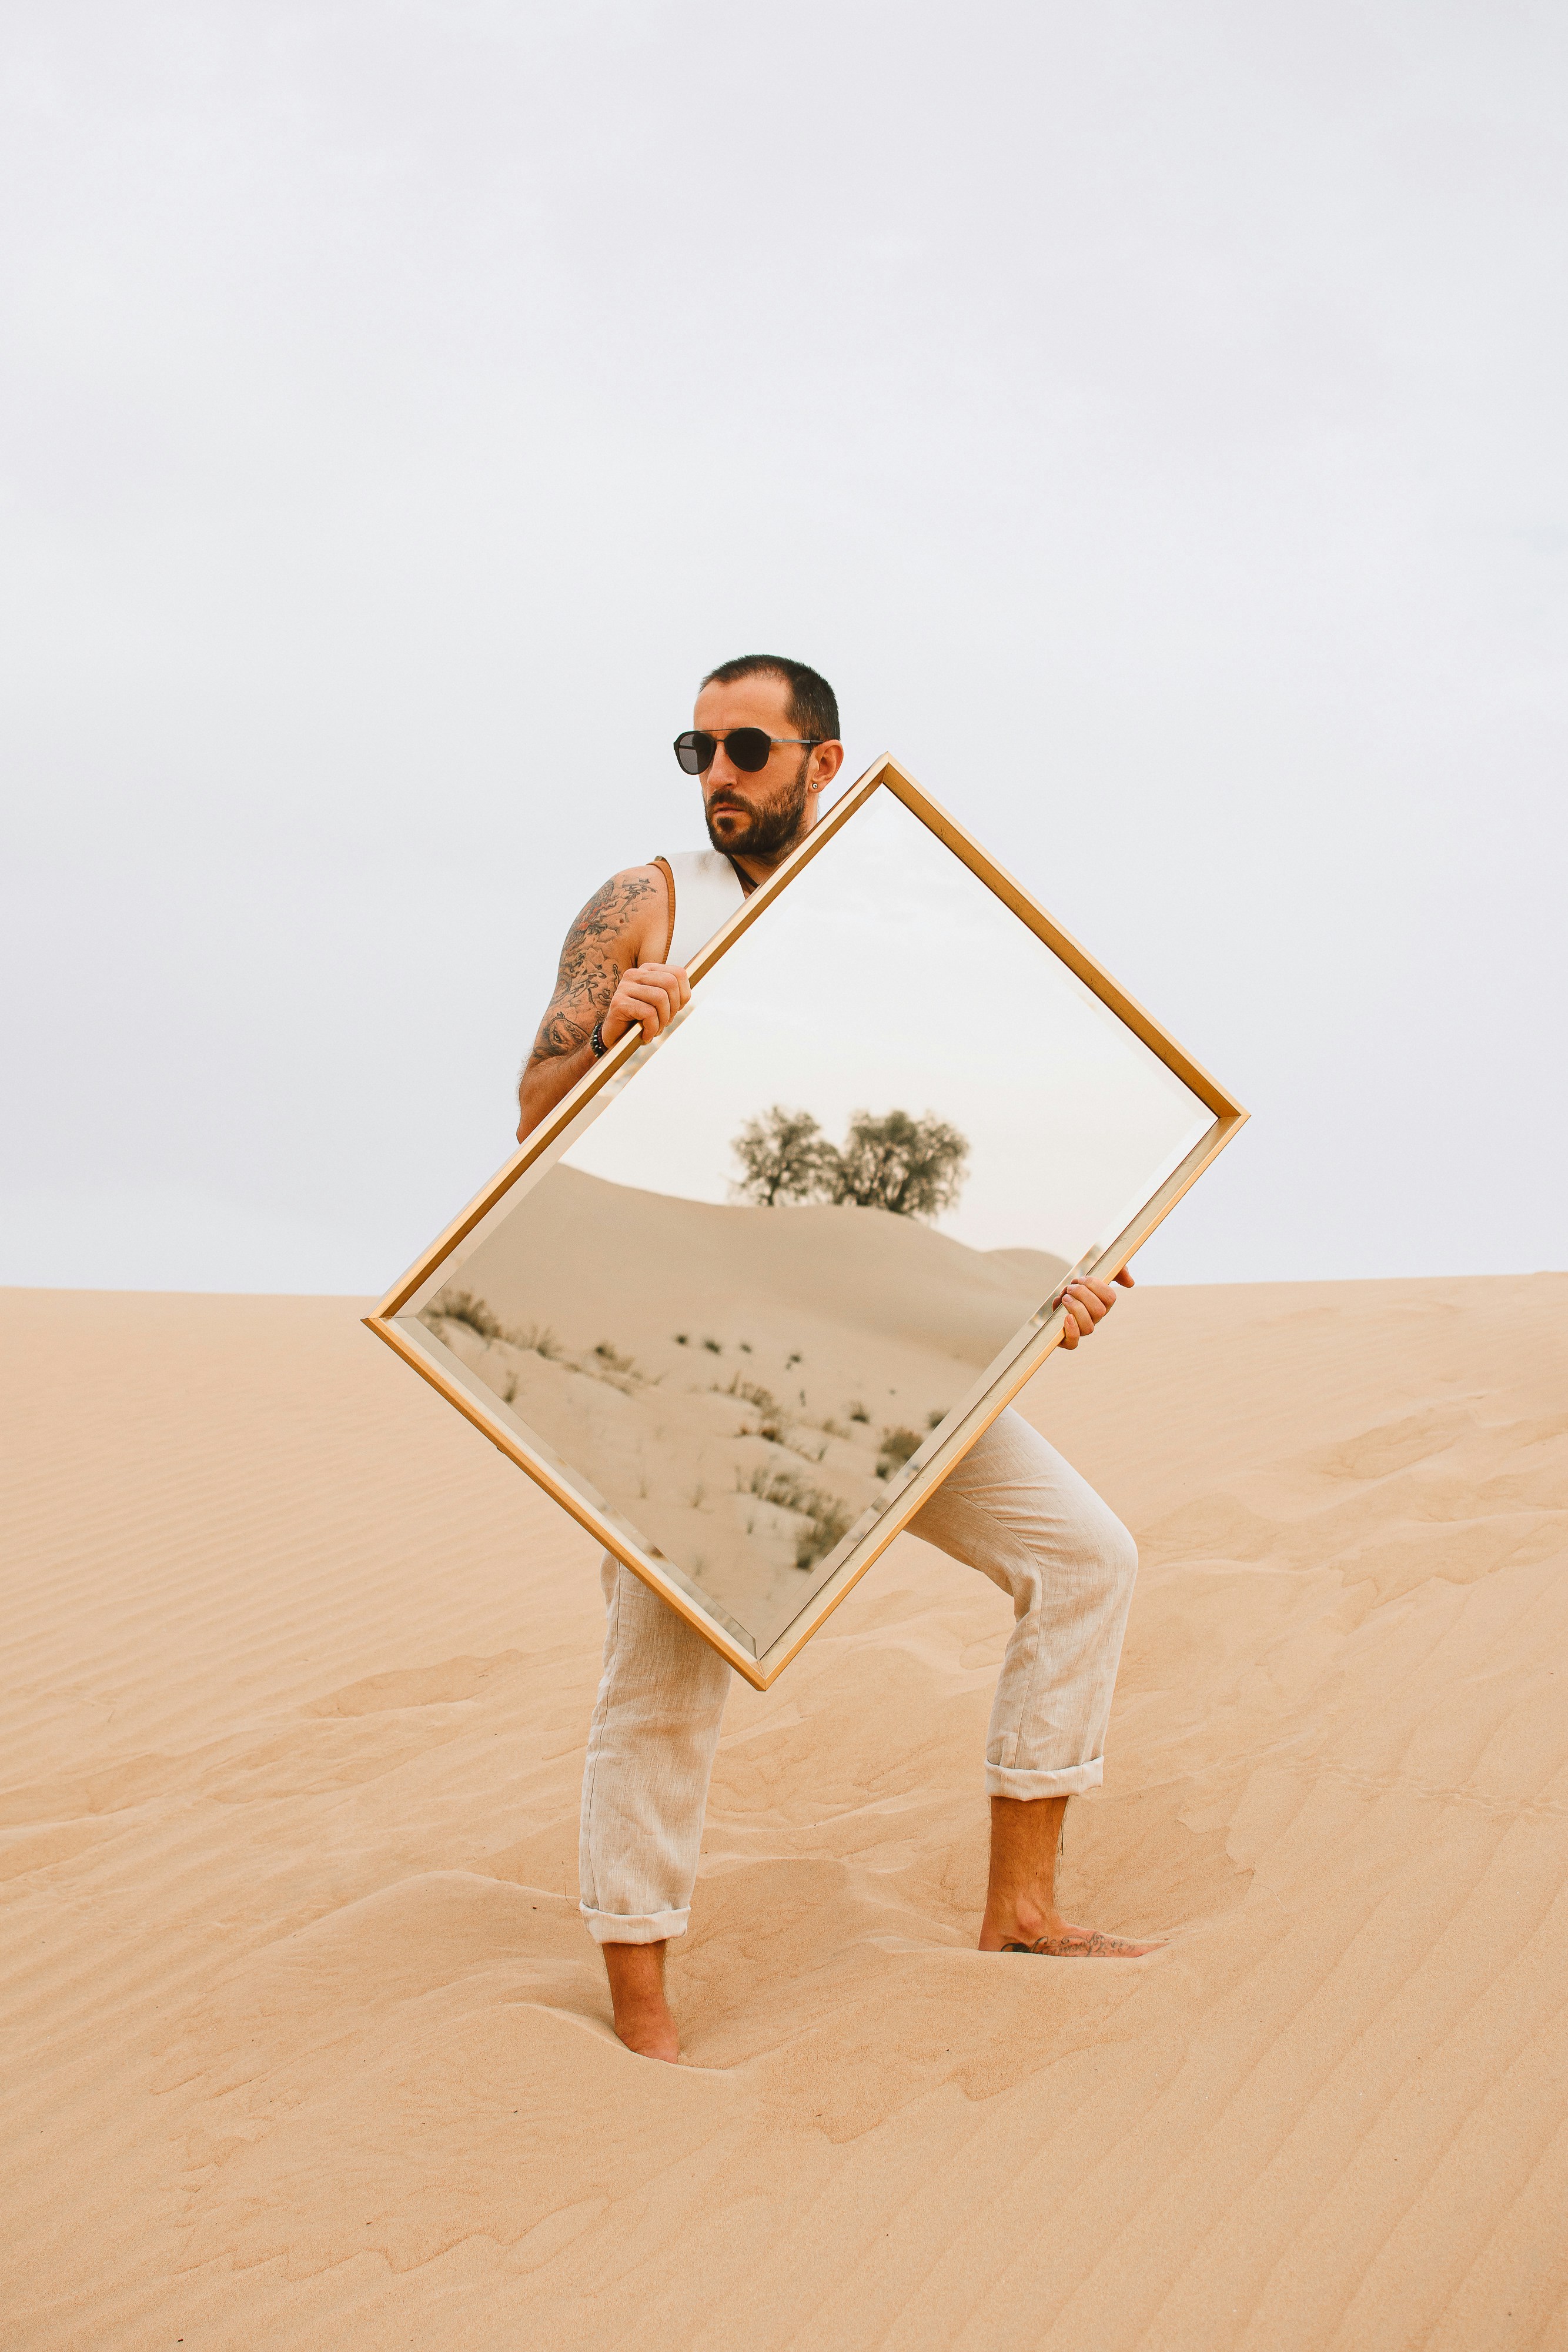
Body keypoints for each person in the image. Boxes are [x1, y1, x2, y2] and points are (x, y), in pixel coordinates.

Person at [517, 654, 1155, 2064]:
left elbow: (959, 1153)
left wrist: (1058, 1274)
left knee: (1086, 1555)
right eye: (697, 749)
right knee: (662, 1675)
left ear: (822, 758)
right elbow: (528, 1116)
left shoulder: (886, 932)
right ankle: (642, 2014)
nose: (719, 775)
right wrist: (608, 1043)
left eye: (747, 747)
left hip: (877, 1344)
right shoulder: (648, 902)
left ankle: (1021, 1910)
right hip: (691, 1363)